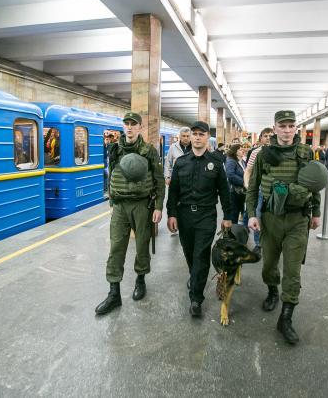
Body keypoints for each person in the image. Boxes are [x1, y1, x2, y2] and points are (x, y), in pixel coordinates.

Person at [246, 111, 320, 345]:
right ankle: (271, 290)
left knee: (292, 270)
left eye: (291, 126)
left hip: (298, 219)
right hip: (270, 218)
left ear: (296, 128)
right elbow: (253, 187)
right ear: (274, 128)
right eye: (283, 126)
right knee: (269, 265)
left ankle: (286, 318)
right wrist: (251, 215)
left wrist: (315, 212)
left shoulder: (306, 153)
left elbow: (314, 183)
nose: (287, 130)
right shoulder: (263, 154)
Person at [95, 113, 165, 315]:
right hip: (120, 206)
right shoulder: (115, 149)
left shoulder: (149, 151)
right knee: (116, 247)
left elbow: (159, 181)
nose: (129, 128)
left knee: (142, 245)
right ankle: (114, 293)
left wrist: (158, 206)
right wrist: (111, 197)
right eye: (126, 124)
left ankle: (140, 280)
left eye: (133, 124)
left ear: (140, 128)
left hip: (142, 205)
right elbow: (111, 172)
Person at [167, 121, 232, 317]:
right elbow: (174, 192)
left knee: (201, 255)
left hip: (206, 215)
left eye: (201, 134)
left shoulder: (216, 162)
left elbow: (225, 192)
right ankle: (195, 277)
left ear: (207, 138)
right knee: (189, 254)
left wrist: (228, 216)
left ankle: (196, 298)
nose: (196, 137)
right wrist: (172, 214)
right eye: (194, 134)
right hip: (185, 215)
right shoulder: (181, 162)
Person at [243, 127, 274, 254]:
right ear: (260, 138)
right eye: (265, 136)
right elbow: (248, 170)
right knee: (257, 214)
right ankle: (258, 243)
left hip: (276, 190)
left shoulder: (279, 151)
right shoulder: (256, 152)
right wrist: (247, 185)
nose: (268, 138)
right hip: (260, 188)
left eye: (270, 136)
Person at [225, 144, 246, 224]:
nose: (243, 150)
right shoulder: (231, 161)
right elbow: (230, 175)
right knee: (234, 214)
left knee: (242, 211)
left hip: (241, 192)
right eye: (240, 149)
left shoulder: (242, 161)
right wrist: (243, 182)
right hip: (234, 192)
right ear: (235, 151)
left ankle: (240, 231)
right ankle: (232, 233)